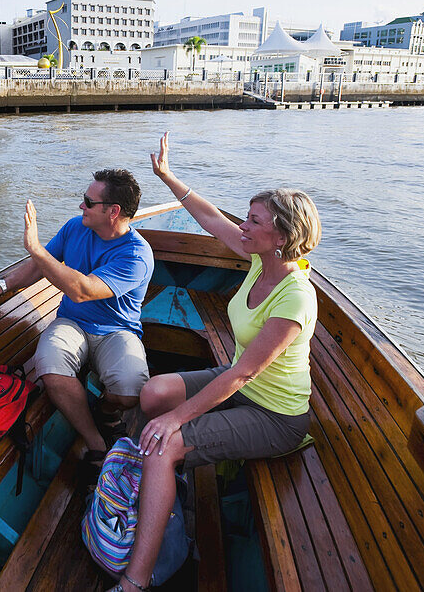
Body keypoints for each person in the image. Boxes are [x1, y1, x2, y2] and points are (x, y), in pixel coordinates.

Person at [112, 132, 321, 592]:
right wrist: (168, 177)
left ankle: (135, 581)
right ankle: (143, 480)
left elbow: (245, 371)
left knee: (166, 442)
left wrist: (176, 422)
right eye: (245, 219)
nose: (242, 226)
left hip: (275, 416)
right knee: (154, 392)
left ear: (281, 236)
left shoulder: (295, 297)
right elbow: (210, 219)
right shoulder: (258, 261)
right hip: (241, 387)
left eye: (252, 221)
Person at [0, 168, 154, 476]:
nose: (81, 206)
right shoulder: (74, 228)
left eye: (88, 201)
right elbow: (37, 267)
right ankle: (97, 443)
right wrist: (1, 285)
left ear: (113, 211)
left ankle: (106, 410)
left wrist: (38, 248)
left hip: (116, 331)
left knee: (130, 392)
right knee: (50, 369)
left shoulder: (136, 255)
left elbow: (82, 290)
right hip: (72, 323)